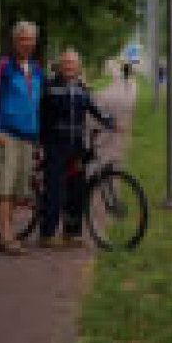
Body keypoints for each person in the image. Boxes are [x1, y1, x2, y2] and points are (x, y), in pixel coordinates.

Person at [39, 49, 114, 249]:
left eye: (73, 63)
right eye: (66, 63)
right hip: (55, 144)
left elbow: (94, 109)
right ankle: (47, 234)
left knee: (76, 189)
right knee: (54, 190)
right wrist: (39, 141)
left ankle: (71, 233)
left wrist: (109, 121)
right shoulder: (49, 86)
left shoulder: (82, 89)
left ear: (78, 66)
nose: (70, 67)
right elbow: (40, 114)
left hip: (76, 146)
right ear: (60, 65)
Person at [0, 21, 46, 255]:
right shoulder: (4, 67)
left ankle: (6, 234)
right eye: (23, 39)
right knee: (4, 186)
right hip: (6, 134)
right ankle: (6, 236)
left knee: (20, 189)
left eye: (30, 39)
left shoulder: (36, 68)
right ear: (14, 41)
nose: (27, 43)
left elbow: (42, 99)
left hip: (28, 135)